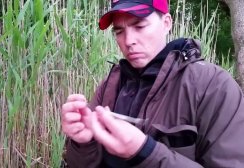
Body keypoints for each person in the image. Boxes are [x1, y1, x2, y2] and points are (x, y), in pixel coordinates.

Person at [61, 0, 244, 167]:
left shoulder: (214, 86)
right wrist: (83, 142)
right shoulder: (110, 84)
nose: (128, 41)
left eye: (139, 26)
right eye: (119, 31)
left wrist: (145, 152)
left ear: (166, 23)